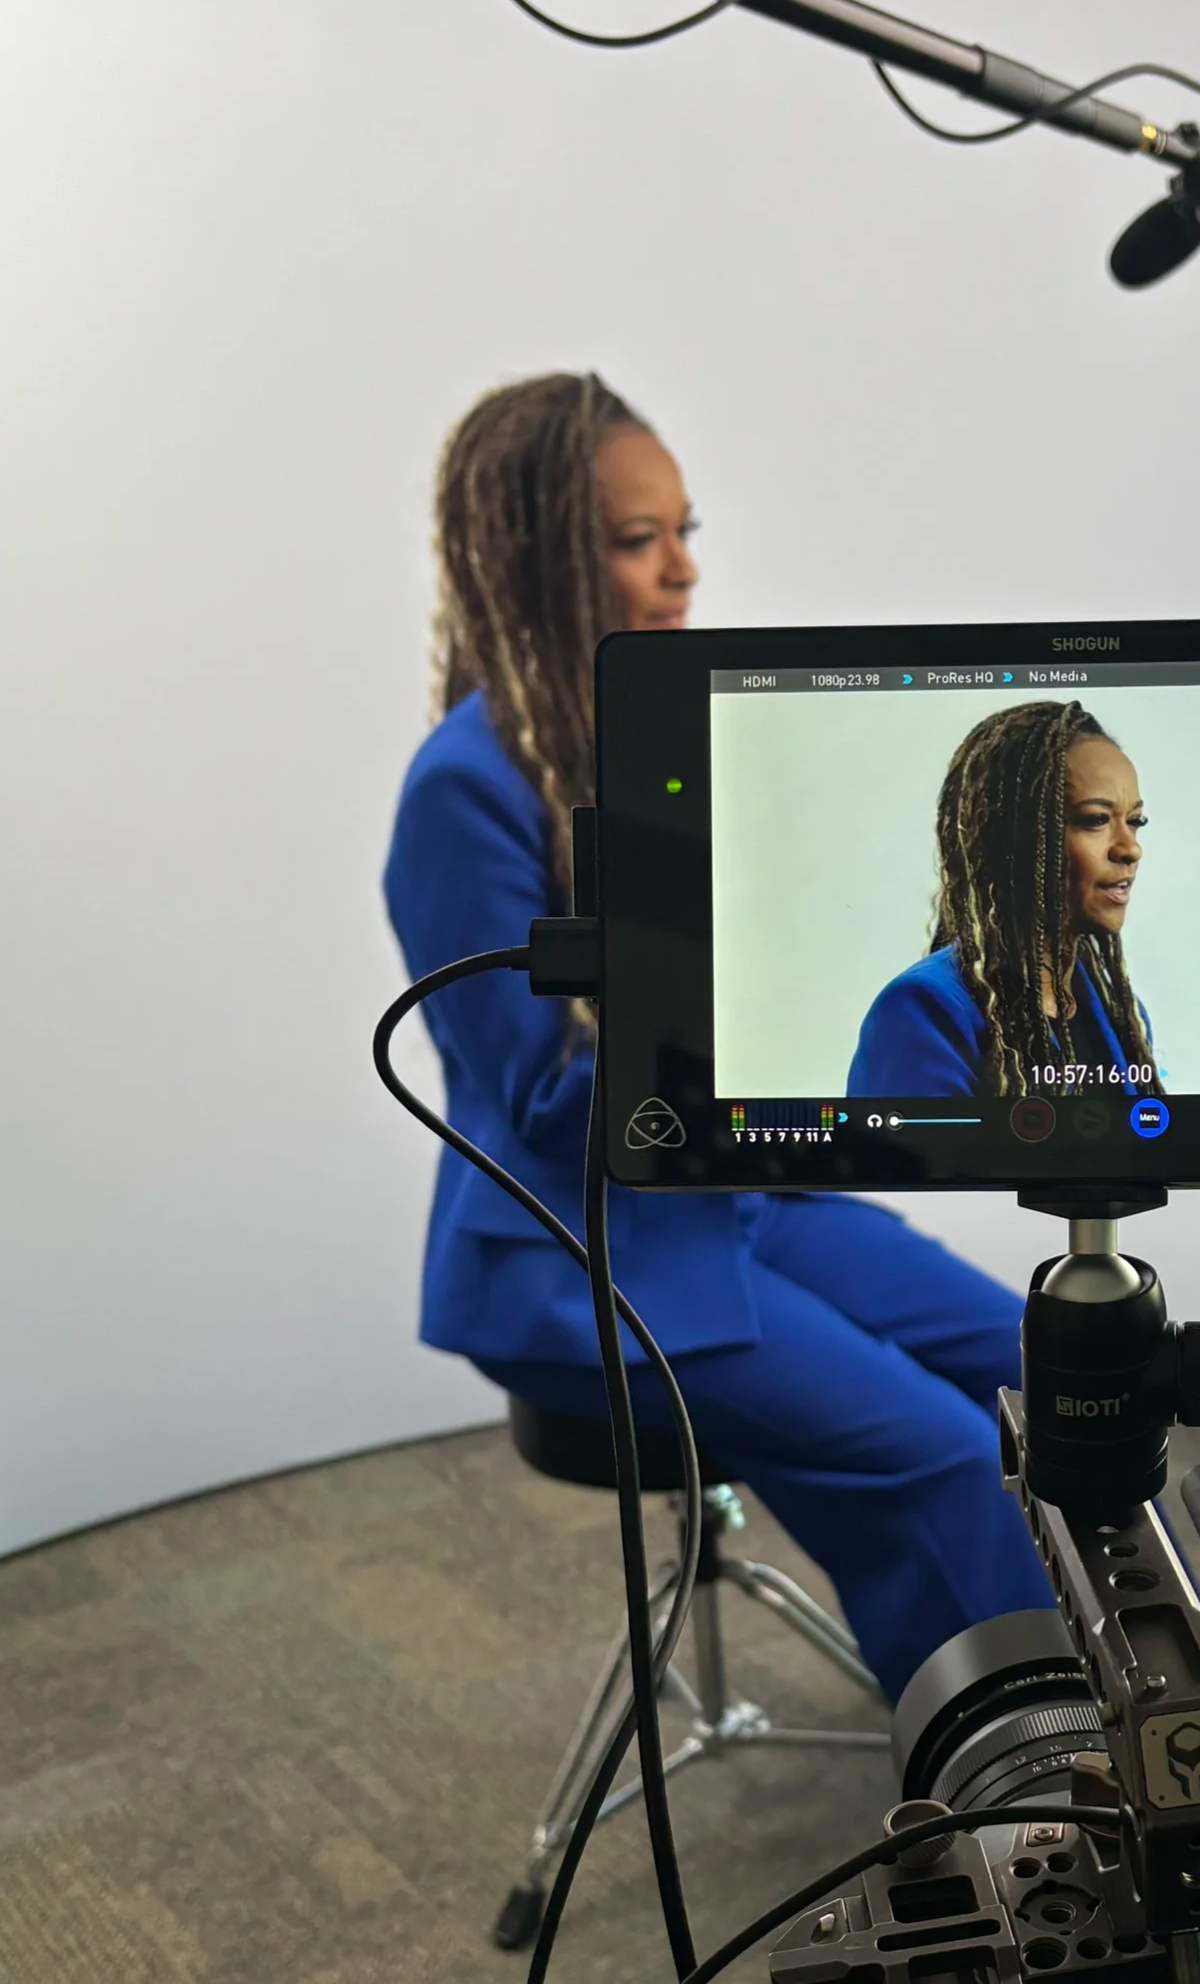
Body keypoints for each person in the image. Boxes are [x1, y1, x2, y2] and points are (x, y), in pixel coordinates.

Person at [382, 373, 1050, 1700]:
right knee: (944, 1453)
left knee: (1045, 1370)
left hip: (731, 1193)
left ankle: (1063, 1676)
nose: (683, 569)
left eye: (687, 531)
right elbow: (547, 1101)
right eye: (639, 542)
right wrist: (737, 1002)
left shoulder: (656, 725)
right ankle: (1020, 1750)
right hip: (580, 1245)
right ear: (535, 560)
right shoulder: (465, 786)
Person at [849, 699, 1158, 1100]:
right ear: (1016, 837)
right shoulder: (922, 1010)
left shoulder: (1123, 1016)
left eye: (1135, 822)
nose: (1130, 849)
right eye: (1095, 820)